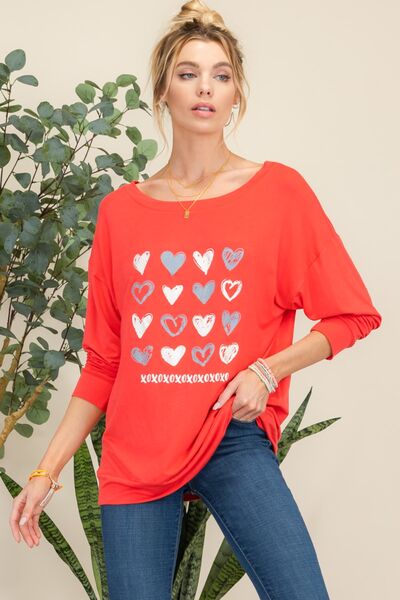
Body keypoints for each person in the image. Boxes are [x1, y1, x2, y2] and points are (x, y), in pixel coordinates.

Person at [9, 1, 382, 599]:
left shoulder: (279, 193)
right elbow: (105, 362)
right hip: (136, 447)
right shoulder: (121, 214)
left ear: (236, 94)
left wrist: (267, 369)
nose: (205, 88)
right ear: (163, 90)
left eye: (220, 75)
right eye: (188, 73)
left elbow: (351, 315)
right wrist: (44, 472)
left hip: (229, 433)